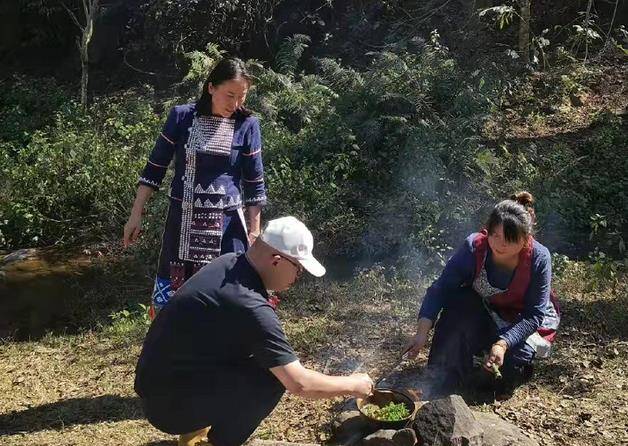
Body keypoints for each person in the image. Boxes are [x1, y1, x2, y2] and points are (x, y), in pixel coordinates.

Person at [134, 216, 374, 446]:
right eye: (299, 269)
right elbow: (299, 384)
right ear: (277, 260)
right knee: (271, 378)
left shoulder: (230, 262)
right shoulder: (247, 304)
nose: (298, 277)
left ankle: (195, 428)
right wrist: (354, 385)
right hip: (167, 407)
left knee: (261, 357)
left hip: (159, 386)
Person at [123, 57, 267, 317]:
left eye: (242, 97)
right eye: (229, 95)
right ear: (211, 87)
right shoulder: (182, 117)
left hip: (228, 227)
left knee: (232, 295)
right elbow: (155, 168)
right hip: (183, 223)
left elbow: (255, 185)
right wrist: (135, 215)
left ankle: (227, 353)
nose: (235, 104)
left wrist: (254, 233)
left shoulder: (248, 125)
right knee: (177, 301)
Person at [405, 192, 560, 397]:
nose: (500, 245)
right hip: (483, 306)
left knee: (506, 373)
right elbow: (441, 288)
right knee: (460, 302)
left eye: (509, 239)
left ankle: (486, 354)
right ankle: (446, 374)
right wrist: (422, 332)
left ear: (525, 239)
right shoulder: (475, 247)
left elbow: (533, 315)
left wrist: (503, 344)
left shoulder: (539, 258)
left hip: (519, 318)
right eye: (495, 235)